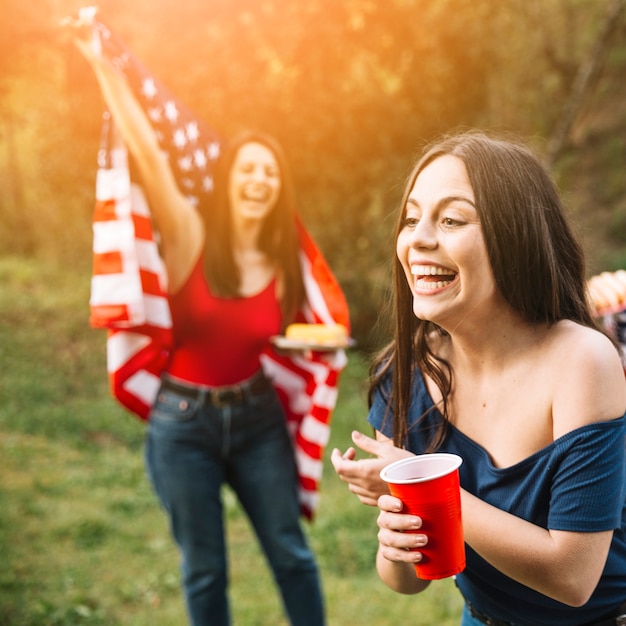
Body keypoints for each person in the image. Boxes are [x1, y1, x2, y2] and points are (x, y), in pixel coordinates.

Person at [63, 8, 350, 626]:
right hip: (182, 423)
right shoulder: (191, 234)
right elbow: (146, 146)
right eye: (247, 169)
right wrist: (99, 62)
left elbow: (300, 334)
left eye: (269, 174)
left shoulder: (286, 261)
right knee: (204, 570)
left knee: (292, 555)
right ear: (228, 178)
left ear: (278, 189)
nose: (257, 181)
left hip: (256, 418)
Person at [331, 131, 626, 626]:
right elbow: (408, 580)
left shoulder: (581, 361)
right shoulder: (405, 374)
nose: (419, 238)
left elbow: (573, 578)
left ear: (515, 237)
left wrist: (432, 494)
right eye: (411, 218)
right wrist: (398, 535)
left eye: (451, 219)